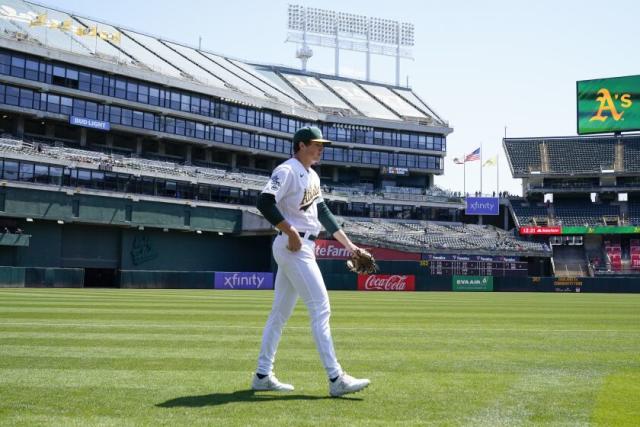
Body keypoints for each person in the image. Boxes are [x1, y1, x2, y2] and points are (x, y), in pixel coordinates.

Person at [252, 126, 370, 397]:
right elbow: (264, 201)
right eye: (316, 144)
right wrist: (289, 230)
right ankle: (335, 378)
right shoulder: (288, 170)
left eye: (321, 145)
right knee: (321, 308)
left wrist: (350, 246)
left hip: (303, 244)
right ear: (301, 145)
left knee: (279, 314)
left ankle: (262, 374)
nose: (321, 148)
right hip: (294, 245)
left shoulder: (313, 175)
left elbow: (324, 213)